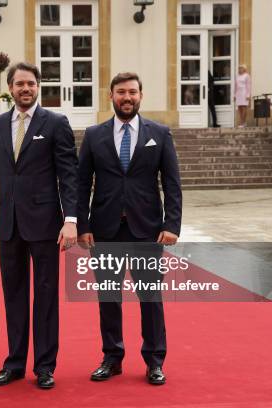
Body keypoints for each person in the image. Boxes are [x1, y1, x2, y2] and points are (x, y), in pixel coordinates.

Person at [0, 62, 78, 390]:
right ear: (10, 88)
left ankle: (45, 366)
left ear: (38, 86)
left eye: (30, 83)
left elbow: (68, 175)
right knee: (14, 296)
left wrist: (70, 220)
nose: (25, 88)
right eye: (19, 84)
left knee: (45, 296)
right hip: (11, 226)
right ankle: (14, 363)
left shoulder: (56, 123)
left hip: (46, 225)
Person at [77, 72, 182, 386]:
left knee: (150, 298)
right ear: (111, 96)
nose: (127, 97)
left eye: (132, 92)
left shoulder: (159, 133)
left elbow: (172, 184)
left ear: (141, 95)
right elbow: (81, 185)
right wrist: (82, 225)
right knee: (108, 298)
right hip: (105, 229)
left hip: (147, 230)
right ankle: (112, 358)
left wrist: (172, 224)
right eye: (121, 92)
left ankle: (154, 360)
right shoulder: (94, 135)